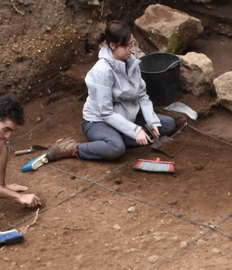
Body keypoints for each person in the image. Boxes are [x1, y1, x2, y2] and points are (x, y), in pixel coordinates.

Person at [42, 20, 176, 163]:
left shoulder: (132, 63)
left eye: (132, 44)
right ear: (112, 45)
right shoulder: (103, 71)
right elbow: (106, 112)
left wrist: (152, 121)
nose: (131, 49)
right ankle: (72, 148)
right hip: (99, 122)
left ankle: (116, 137)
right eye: (126, 46)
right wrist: (135, 131)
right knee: (116, 149)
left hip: (126, 117)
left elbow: (142, 95)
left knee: (167, 124)